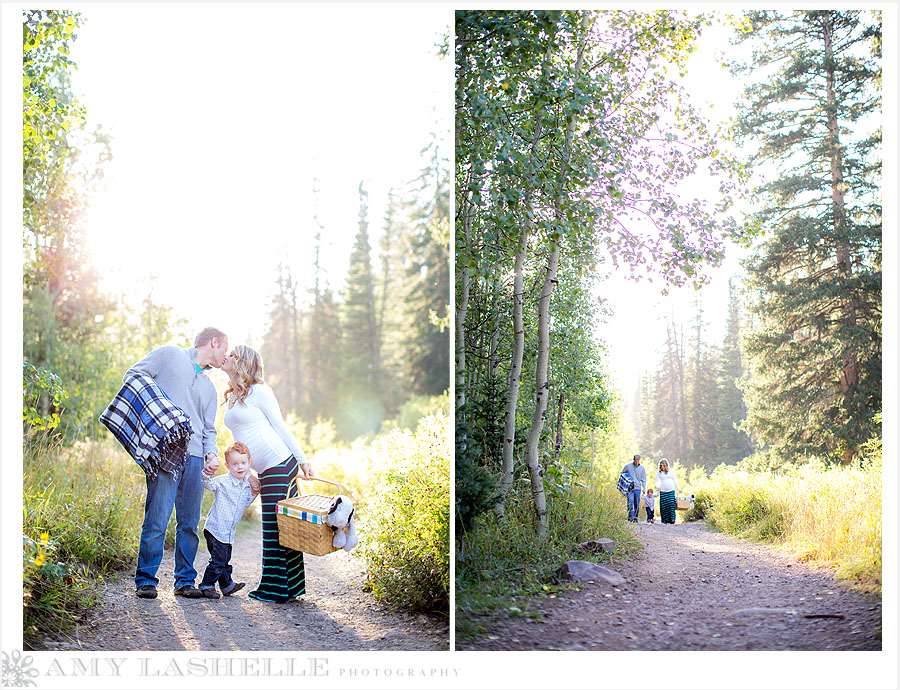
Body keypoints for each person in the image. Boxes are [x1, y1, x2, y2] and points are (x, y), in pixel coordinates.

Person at [129, 327, 228, 599]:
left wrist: (212, 454)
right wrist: (156, 415)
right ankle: (146, 580)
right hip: (166, 452)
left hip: (195, 458)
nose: (225, 358)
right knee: (157, 517)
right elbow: (134, 375)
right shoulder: (169, 355)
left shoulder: (209, 387)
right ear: (214, 342)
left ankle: (184, 581)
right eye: (224, 351)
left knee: (189, 523)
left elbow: (209, 429)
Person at [214, 344, 314, 603]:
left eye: (233, 355)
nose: (227, 357)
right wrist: (247, 472)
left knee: (276, 526)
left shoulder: (259, 391)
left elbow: (281, 426)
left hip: (280, 463)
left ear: (243, 362)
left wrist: (303, 461)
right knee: (281, 525)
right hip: (264, 468)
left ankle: (276, 589)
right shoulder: (233, 395)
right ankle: (289, 589)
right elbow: (241, 439)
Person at [198, 441, 260, 599]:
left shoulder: (245, 485)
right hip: (216, 528)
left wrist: (254, 491)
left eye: (243, 463)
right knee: (218, 560)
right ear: (227, 466)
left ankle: (227, 585)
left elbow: (247, 503)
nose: (240, 467)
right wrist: (207, 472)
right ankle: (207, 585)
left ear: (249, 463)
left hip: (228, 531)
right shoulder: (223, 481)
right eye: (235, 464)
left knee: (225, 559)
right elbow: (207, 483)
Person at [621, 454, 646, 523]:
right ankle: (630, 517)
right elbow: (622, 474)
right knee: (630, 502)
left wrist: (644, 488)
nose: (636, 463)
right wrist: (627, 481)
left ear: (639, 460)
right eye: (635, 461)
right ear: (633, 460)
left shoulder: (642, 468)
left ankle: (635, 517)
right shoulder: (628, 466)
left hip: (638, 488)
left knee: (636, 503)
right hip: (630, 487)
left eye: (638, 461)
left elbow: (644, 479)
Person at [655, 457, 681, 524]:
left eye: (664, 466)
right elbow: (656, 481)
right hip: (663, 492)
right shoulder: (659, 473)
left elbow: (674, 480)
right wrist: (657, 487)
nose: (662, 467)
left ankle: (672, 519)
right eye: (661, 466)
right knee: (664, 506)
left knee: (671, 504)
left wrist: (679, 488)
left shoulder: (670, 471)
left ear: (666, 465)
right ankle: (665, 520)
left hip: (671, 491)